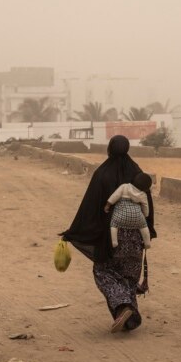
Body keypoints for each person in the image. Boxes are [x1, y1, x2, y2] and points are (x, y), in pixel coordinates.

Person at [61, 135, 156, 333]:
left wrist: (74, 232)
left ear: (110, 149)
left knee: (103, 272)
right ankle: (130, 319)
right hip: (136, 236)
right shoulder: (137, 172)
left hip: (112, 237)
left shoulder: (102, 174)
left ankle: (123, 306)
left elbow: (90, 206)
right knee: (129, 276)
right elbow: (148, 204)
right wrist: (148, 230)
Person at [104, 172, 152, 250]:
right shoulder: (143, 194)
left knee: (114, 224)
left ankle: (114, 241)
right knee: (144, 226)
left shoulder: (124, 186)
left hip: (121, 215)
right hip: (137, 216)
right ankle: (147, 242)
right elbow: (145, 206)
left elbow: (115, 196)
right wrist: (145, 215)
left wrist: (108, 205)